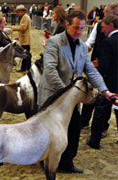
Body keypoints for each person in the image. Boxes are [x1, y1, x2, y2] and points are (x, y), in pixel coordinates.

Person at [37, 10, 117, 174]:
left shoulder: (81, 46)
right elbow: (50, 71)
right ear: (67, 25)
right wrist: (67, 92)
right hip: (53, 96)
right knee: (48, 132)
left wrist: (105, 91)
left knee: (73, 129)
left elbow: (91, 71)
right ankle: (45, 160)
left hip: (71, 99)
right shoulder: (54, 43)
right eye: (76, 28)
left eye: (81, 28)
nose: (79, 32)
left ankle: (67, 162)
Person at [80, 2, 118, 135]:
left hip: (111, 71)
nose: (105, 15)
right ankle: (84, 121)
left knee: (107, 102)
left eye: (108, 13)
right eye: (106, 12)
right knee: (90, 93)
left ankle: (102, 127)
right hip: (96, 67)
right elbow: (90, 43)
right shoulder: (99, 26)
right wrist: (79, 52)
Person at [10, 4, 32, 73]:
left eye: (17, 12)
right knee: (24, 54)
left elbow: (23, 27)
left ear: (21, 11)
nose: (17, 13)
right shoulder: (24, 17)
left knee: (27, 55)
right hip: (24, 39)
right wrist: (18, 37)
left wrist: (13, 28)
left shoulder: (25, 17)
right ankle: (23, 68)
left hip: (26, 40)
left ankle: (28, 69)